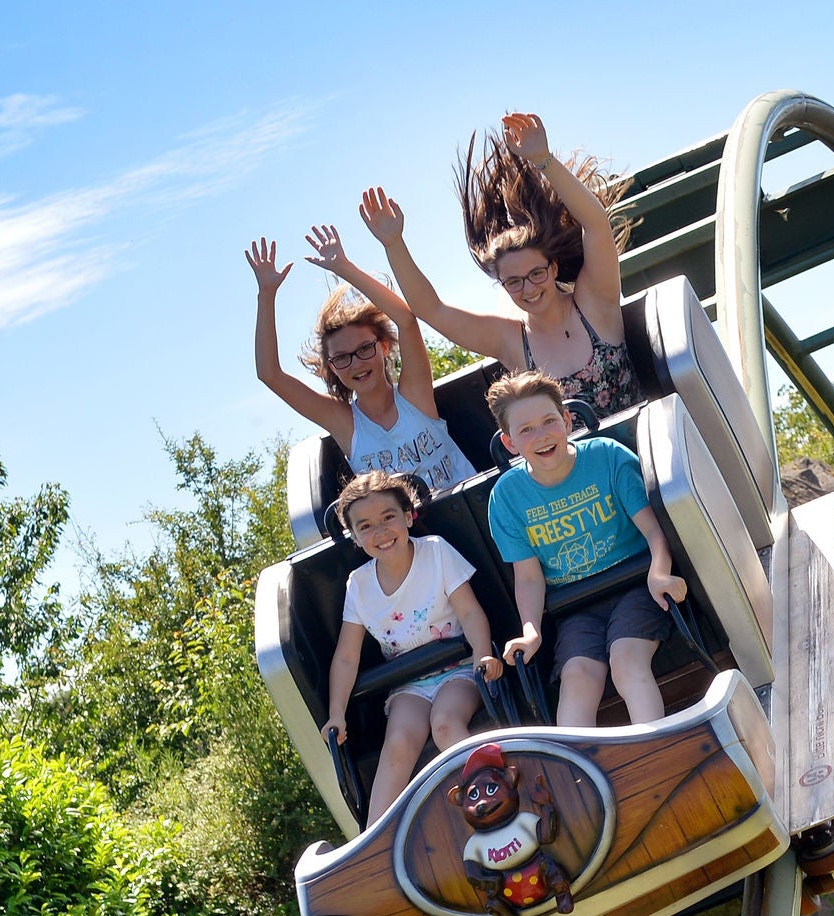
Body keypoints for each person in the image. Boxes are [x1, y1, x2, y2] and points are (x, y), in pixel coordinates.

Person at [358, 112, 641, 419]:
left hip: (644, 445)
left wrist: (543, 160)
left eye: (536, 274)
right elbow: (431, 310)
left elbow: (596, 225)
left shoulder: (594, 302)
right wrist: (394, 244)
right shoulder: (511, 340)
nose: (528, 288)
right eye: (514, 282)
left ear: (554, 268)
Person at [485, 372, 686, 729]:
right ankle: (582, 777)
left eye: (549, 421)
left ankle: (656, 742)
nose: (542, 435)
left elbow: (653, 530)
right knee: (576, 677)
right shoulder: (507, 496)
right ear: (510, 442)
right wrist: (531, 630)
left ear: (566, 420)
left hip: (635, 586)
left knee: (625, 659)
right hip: (576, 607)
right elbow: (529, 577)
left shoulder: (607, 457)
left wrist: (659, 572)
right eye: (526, 429)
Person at [322, 470, 504, 828]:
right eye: (366, 526)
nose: (380, 532)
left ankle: (492, 797)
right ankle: (374, 838)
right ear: (356, 538)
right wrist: (337, 713)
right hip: (409, 686)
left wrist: (483, 653)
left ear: (408, 516)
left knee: (445, 723)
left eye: (388, 518)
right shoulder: (358, 585)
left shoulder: (434, 552)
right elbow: (346, 657)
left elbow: (469, 611)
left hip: (458, 670)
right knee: (399, 744)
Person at [245, 228, 475, 495]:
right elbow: (269, 374)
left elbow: (406, 320)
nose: (356, 363)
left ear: (384, 346)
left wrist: (344, 267)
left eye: (364, 348)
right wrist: (266, 293)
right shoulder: (346, 424)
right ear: (332, 367)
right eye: (342, 358)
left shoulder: (414, 397)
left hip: (468, 512)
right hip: (403, 535)